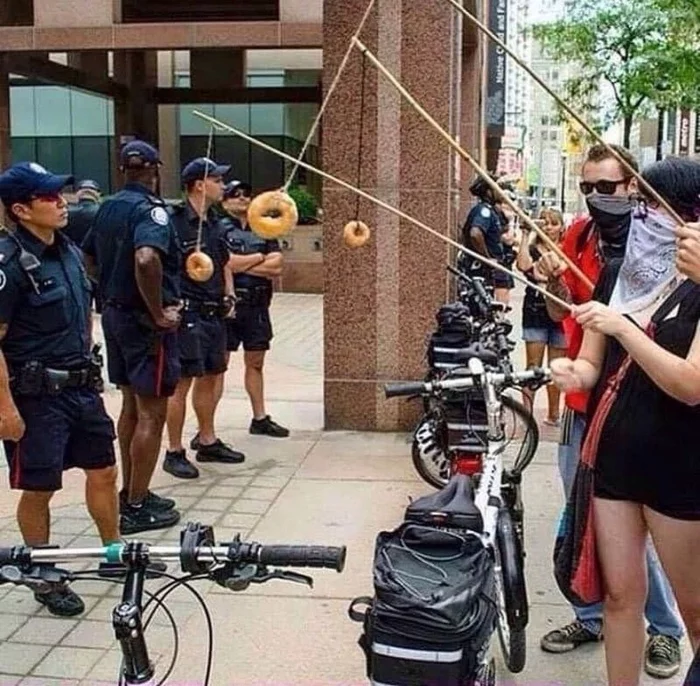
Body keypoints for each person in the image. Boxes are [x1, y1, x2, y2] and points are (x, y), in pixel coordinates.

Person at [550, 156, 700, 685]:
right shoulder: (620, 269)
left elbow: (690, 384)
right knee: (619, 596)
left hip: (680, 463)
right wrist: (575, 373)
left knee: (695, 611)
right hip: (613, 451)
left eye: (654, 207)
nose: (641, 216)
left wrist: (624, 327)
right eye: (640, 204)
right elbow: (593, 362)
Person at [0, 162, 120, 616]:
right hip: (34, 397)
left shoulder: (69, 249)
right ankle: (43, 572)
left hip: (81, 388)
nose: (61, 202)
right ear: (21, 209)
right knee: (40, 488)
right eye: (49, 197)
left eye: (60, 194)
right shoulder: (8, 264)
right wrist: (6, 409)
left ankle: (114, 553)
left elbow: (83, 312)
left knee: (104, 470)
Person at [82, 141, 181, 536]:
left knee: (130, 405)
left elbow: (87, 254)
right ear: (154, 168)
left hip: (116, 317)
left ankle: (132, 490)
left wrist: (106, 287)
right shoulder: (151, 210)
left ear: (123, 169)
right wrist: (157, 312)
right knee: (153, 412)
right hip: (145, 325)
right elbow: (146, 258)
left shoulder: (108, 206)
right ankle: (137, 504)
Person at [163, 158, 245, 479]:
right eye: (217, 180)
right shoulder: (174, 221)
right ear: (199, 184)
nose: (223, 186)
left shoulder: (214, 221)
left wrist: (229, 294)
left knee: (211, 376)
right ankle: (174, 450)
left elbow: (224, 261)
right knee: (181, 384)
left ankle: (207, 438)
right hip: (188, 313)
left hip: (214, 311)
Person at [215, 180, 289, 438]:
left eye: (247, 194)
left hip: (257, 306)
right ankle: (207, 428)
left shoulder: (264, 229)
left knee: (255, 362)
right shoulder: (219, 229)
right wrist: (258, 259)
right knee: (217, 367)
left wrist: (242, 264)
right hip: (229, 306)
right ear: (224, 201)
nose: (243, 199)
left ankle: (260, 417)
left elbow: (276, 266)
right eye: (235, 195)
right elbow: (225, 264)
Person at [516, 207, 567, 425]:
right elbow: (523, 266)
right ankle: (527, 414)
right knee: (533, 366)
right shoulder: (533, 248)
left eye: (554, 223)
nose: (548, 227)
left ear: (562, 227)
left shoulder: (567, 250)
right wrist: (526, 233)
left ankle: (554, 413)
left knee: (557, 367)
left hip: (560, 312)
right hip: (535, 309)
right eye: (544, 222)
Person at [459, 173, 512, 302]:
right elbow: (475, 233)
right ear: (489, 191)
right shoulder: (484, 211)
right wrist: (486, 258)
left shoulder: (492, 211)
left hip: (489, 272)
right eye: (498, 187)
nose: (502, 191)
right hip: (481, 271)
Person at [64, 179, 101, 246]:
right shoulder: (105, 212)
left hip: (71, 252)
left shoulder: (64, 212)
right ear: (98, 195)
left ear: (76, 194)